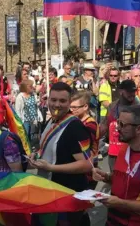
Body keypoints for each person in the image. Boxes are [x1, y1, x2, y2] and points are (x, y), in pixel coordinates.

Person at [93, 105, 140, 225]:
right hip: (113, 221)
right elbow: (129, 180)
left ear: (139, 129)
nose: (117, 127)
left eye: (122, 124)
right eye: (118, 122)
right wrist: (107, 177)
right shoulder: (125, 147)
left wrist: (121, 203)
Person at [29, 82, 92, 225]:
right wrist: (36, 155)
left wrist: (51, 168)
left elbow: (87, 164)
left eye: (62, 101)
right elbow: (48, 148)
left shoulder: (75, 127)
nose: (57, 104)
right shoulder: (51, 120)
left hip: (67, 196)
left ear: (70, 102)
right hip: (49, 193)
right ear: (47, 100)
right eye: (53, 100)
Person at [100, 80, 139, 171]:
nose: (132, 94)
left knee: (130, 180)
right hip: (114, 151)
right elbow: (105, 125)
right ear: (121, 91)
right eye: (129, 91)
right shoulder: (113, 106)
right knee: (114, 179)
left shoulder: (138, 107)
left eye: (133, 91)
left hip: (131, 151)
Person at [70, 91, 99, 189]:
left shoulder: (90, 124)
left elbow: (80, 145)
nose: (72, 110)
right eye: (70, 107)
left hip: (88, 171)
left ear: (85, 107)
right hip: (79, 168)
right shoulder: (77, 120)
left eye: (75, 107)